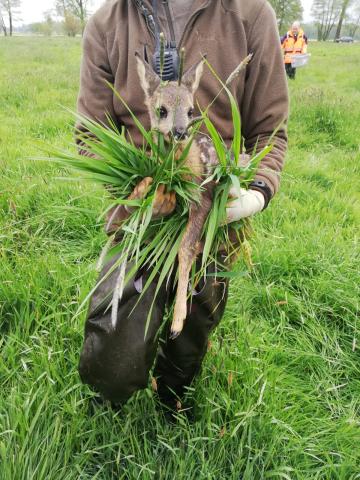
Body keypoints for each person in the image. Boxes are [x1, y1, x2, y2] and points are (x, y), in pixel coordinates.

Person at [76, 0, 289, 415]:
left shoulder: (249, 14)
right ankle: (110, 394)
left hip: (211, 208)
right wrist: (136, 193)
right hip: (141, 213)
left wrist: (256, 192)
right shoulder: (107, 23)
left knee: (192, 323)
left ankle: (172, 389)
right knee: (114, 352)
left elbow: (270, 130)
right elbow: (91, 136)